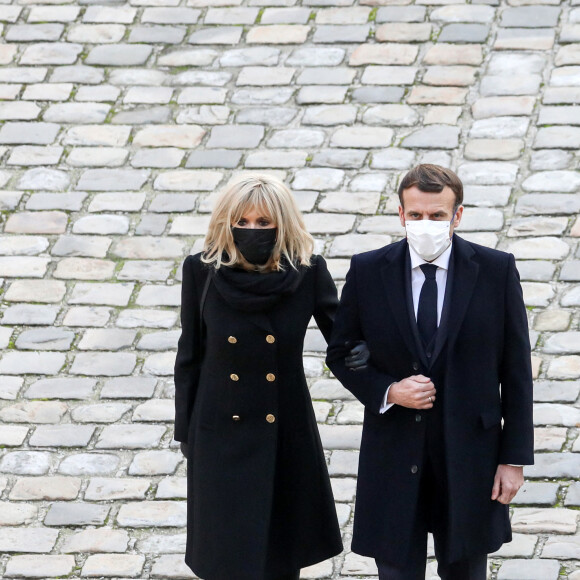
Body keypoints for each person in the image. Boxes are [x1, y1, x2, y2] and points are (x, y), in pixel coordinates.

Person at [327, 164, 534, 580]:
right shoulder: (369, 270)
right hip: (394, 451)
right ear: (401, 214)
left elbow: (516, 369)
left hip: (470, 455)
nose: (426, 224)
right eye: (416, 215)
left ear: (457, 215)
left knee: (466, 570)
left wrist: (513, 460)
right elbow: (344, 351)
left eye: (437, 216)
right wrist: (388, 390)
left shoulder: (495, 271)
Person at [174, 173, 364, 580]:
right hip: (218, 432)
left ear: (283, 223)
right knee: (225, 557)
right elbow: (189, 356)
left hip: (284, 431)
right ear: (227, 222)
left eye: (264, 223)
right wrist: (186, 433)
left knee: (279, 555)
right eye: (243, 222)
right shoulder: (201, 271)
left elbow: (345, 343)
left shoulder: (308, 272)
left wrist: (387, 379)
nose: (252, 230)